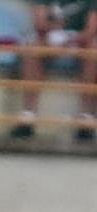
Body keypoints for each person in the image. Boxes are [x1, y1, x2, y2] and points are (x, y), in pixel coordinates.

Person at [11, 1, 97, 141]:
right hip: (51, 37)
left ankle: (86, 119)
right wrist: (57, 34)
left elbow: (91, 29)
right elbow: (39, 23)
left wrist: (70, 38)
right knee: (33, 50)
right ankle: (28, 116)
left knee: (93, 51)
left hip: (79, 40)